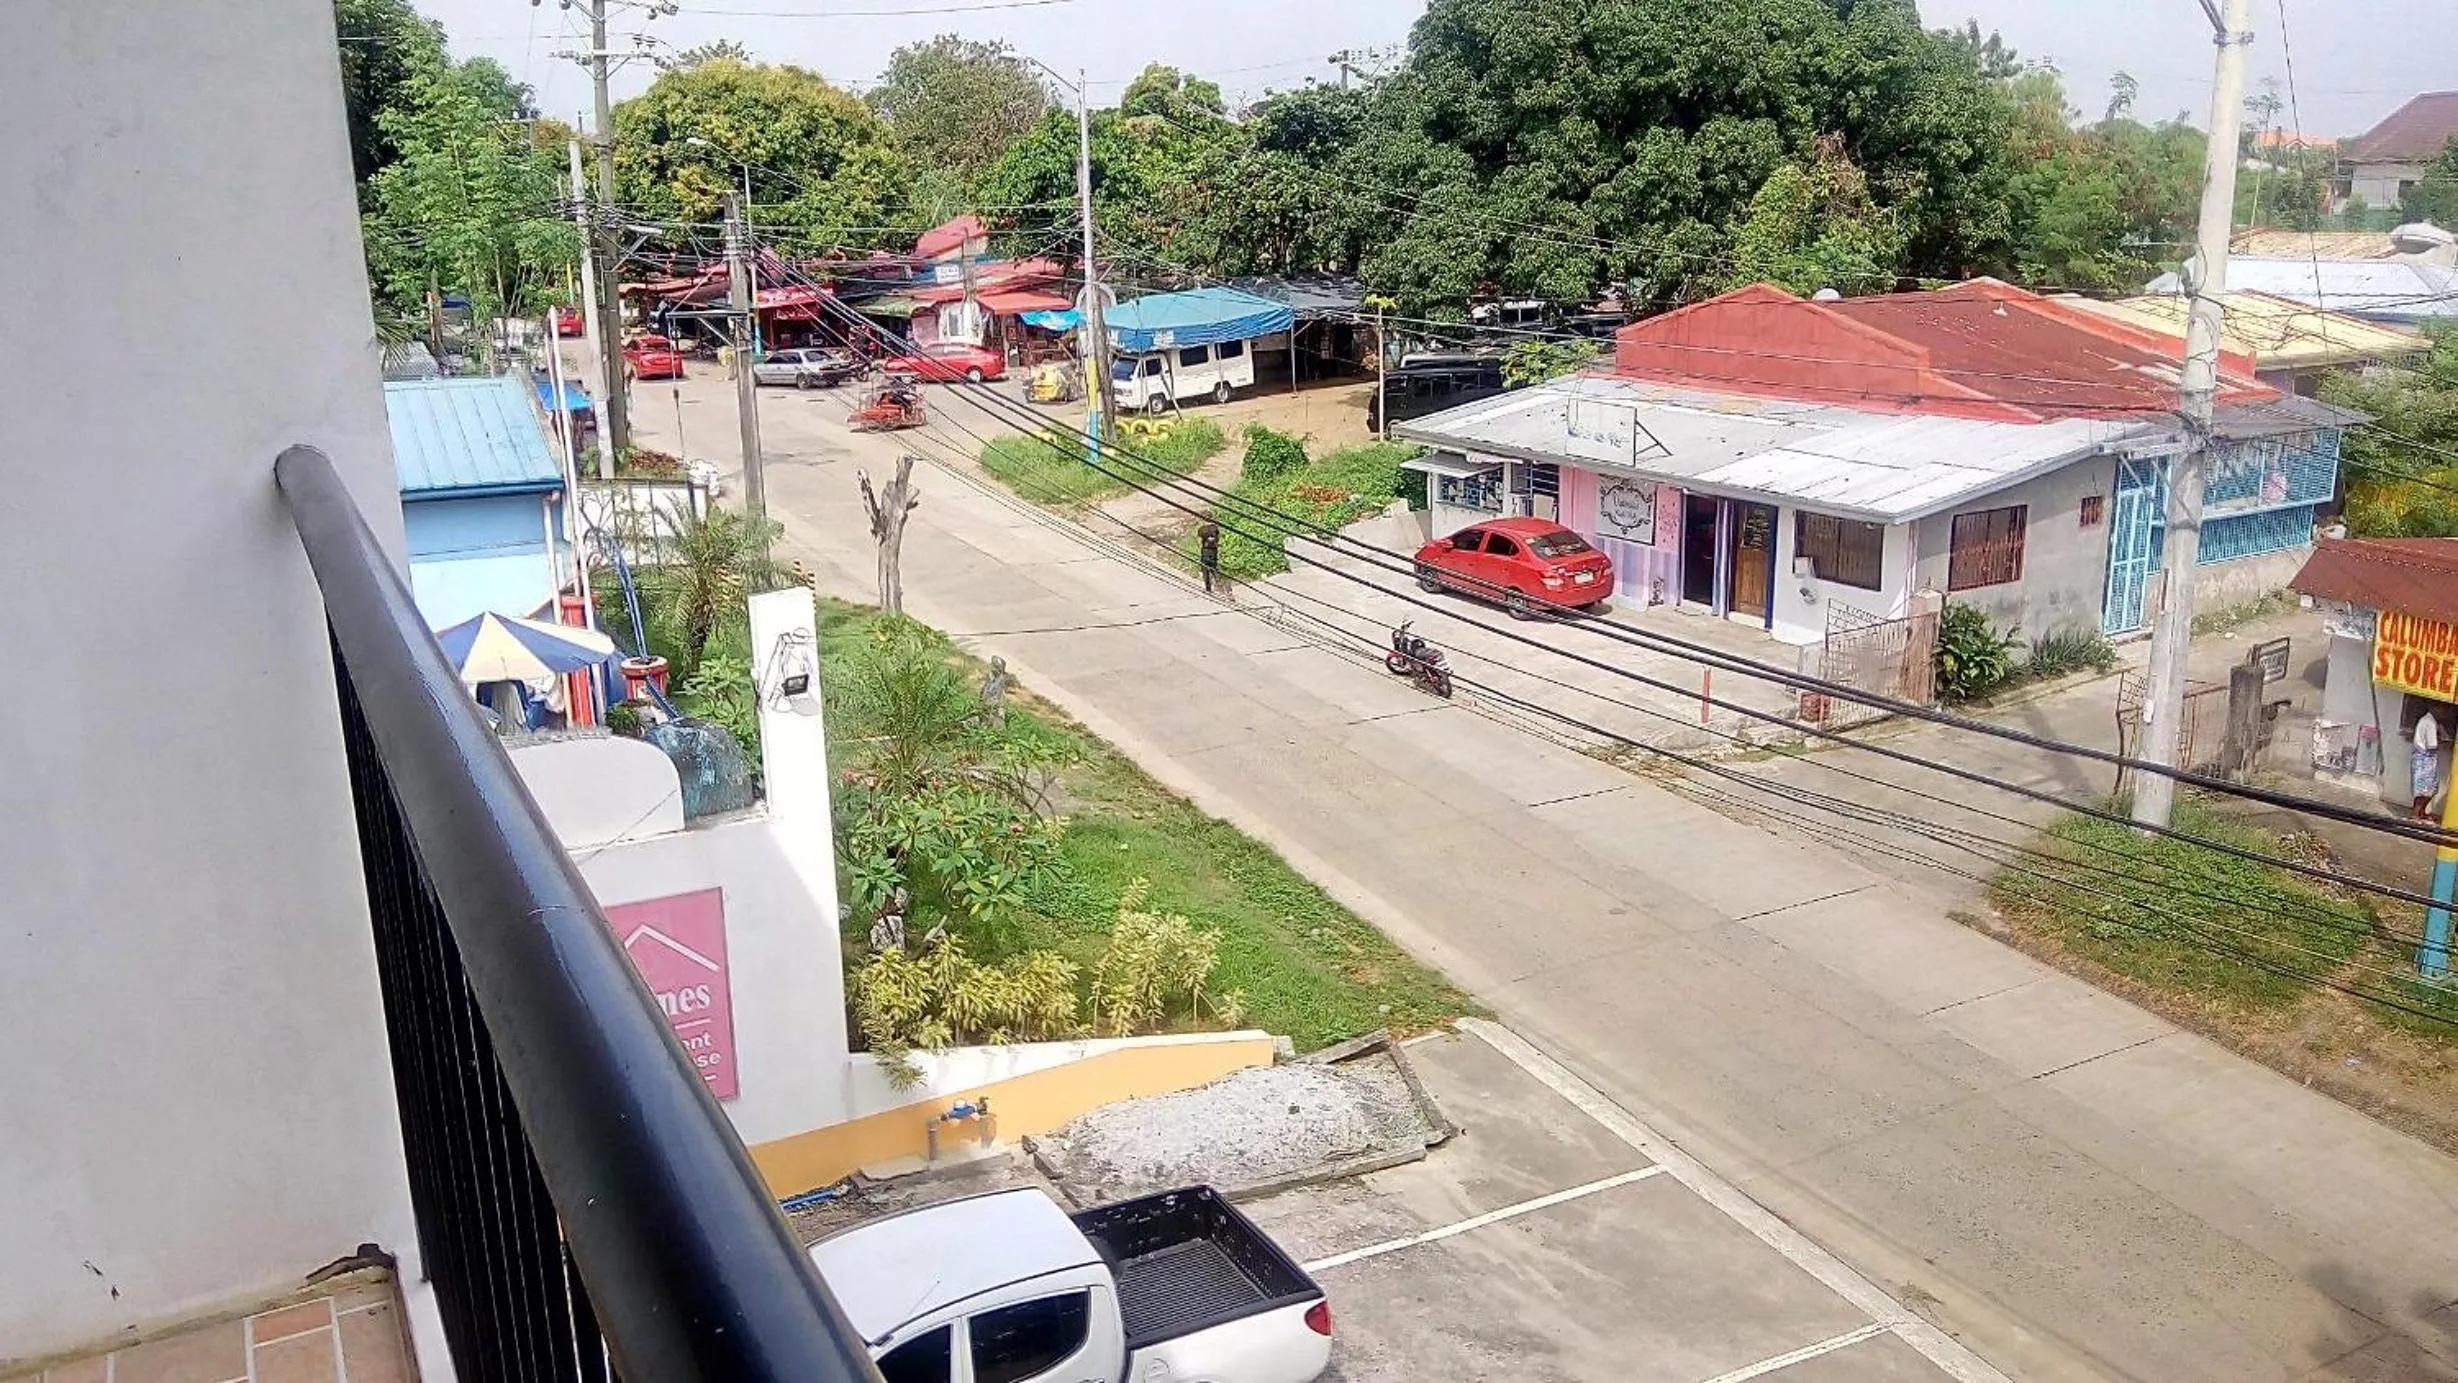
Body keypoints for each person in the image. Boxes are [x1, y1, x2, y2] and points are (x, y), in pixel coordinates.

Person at [2417, 708, 2448, 821]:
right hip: (2425, 759)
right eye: (2443, 710)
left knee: (2431, 788)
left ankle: (2421, 812)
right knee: (2425, 789)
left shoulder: (2429, 721)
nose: (2444, 713)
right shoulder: (2430, 723)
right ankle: (2416, 814)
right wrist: (2441, 736)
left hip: (2425, 759)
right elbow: (2432, 745)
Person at [1197, 518, 1223, 595]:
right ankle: (1219, 585)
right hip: (1213, 551)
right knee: (1214, 568)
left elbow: (1199, 541)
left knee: (1205, 570)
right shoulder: (1215, 528)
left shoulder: (1202, 529)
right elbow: (1218, 539)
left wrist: (1200, 548)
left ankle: (1208, 589)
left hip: (1205, 551)